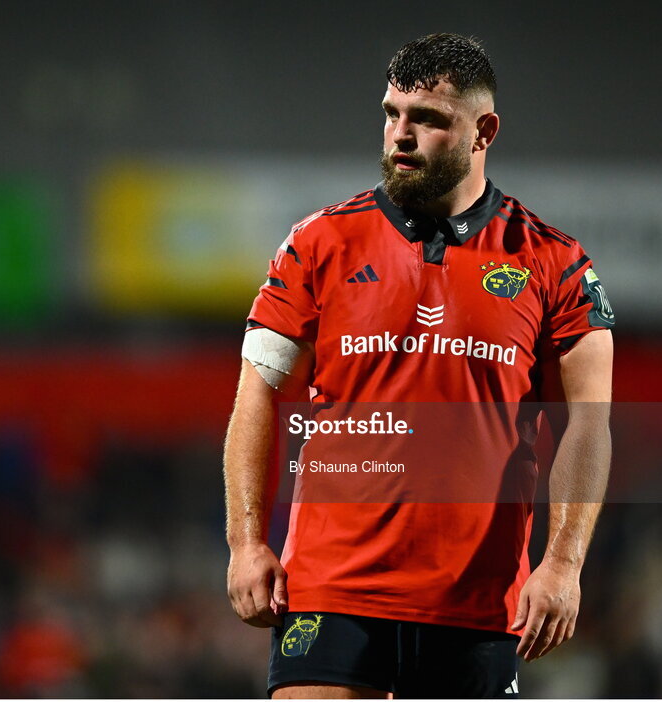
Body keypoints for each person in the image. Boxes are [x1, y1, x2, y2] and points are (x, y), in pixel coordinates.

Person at [224, 33, 614, 699]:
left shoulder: (554, 263)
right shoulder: (318, 244)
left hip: (478, 603)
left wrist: (563, 563)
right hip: (330, 587)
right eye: (392, 113)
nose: (401, 135)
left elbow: (587, 423)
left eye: (428, 119)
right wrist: (245, 543)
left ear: (483, 131)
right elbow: (256, 397)